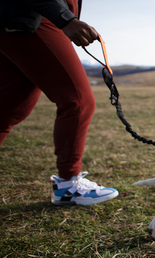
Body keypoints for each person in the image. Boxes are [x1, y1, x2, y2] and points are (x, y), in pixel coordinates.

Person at [0, 0, 118, 206]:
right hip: (33, 16)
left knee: (10, 108)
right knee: (78, 101)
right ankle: (68, 186)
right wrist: (66, 19)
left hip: (20, 17)